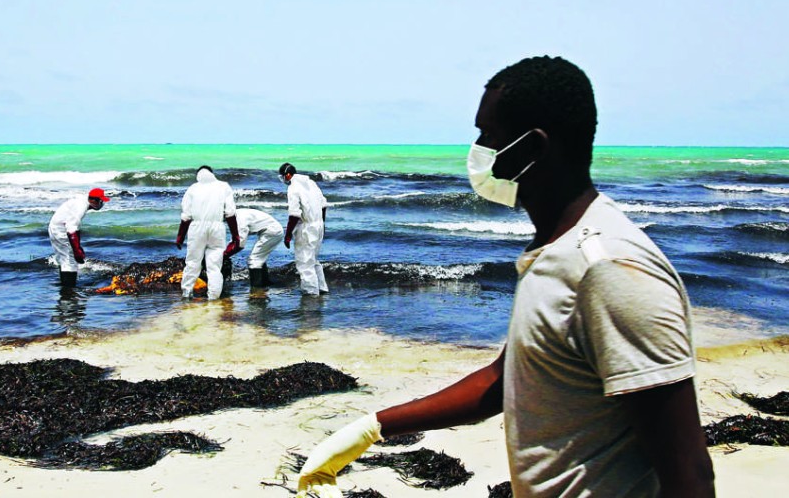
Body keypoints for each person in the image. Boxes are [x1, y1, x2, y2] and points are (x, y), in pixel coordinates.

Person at [296, 57, 715, 498]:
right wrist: (373, 428)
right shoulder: (555, 253)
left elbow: (689, 472)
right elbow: (505, 379)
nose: (477, 149)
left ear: (533, 148)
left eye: (488, 136)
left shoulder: (607, 268)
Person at [175, 166, 240, 300]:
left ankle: (186, 294)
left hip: (196, 228)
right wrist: (235, 235)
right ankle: (213, 298)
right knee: (215, 266)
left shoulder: (193, 188)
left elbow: (186, 216)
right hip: (217, 228)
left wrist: (180, 236)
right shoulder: (224, 187)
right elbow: (230, 213)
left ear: (198, 175)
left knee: (193, 263)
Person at [279, 163, 329, 295]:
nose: (283, 179)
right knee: (313, 260)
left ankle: (311, 295)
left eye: (283, 177)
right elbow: (323, 205)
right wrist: (322, 223)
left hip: (306, 228)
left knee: (305, 264)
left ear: (288, 175)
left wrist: (288, 234)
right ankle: (322, 289)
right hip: (318, 226)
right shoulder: (311, 183)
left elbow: (294, 215)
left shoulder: (293, 188)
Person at [48, 187, 110, 287]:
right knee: (70, 261)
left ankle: (65, 286)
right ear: (94, 200)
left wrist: (78, 248)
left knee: (64, 259)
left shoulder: (82, 201)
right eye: (101, 201)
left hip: (55, 226)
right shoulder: (81, 207)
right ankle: (69, 291)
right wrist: (77, 251)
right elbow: (71, 230)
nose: (102, 203)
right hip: (60, 230)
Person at [224, 207, 284, 287]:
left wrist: (224, 255)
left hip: (273, 232)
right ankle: (265, 283)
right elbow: (235, 239)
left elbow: (239, 244)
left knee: (254, 259)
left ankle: (257, 290)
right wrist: (225, 252)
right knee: (259, 257)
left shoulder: (239, 220)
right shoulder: (235, 215)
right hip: (272, 230)